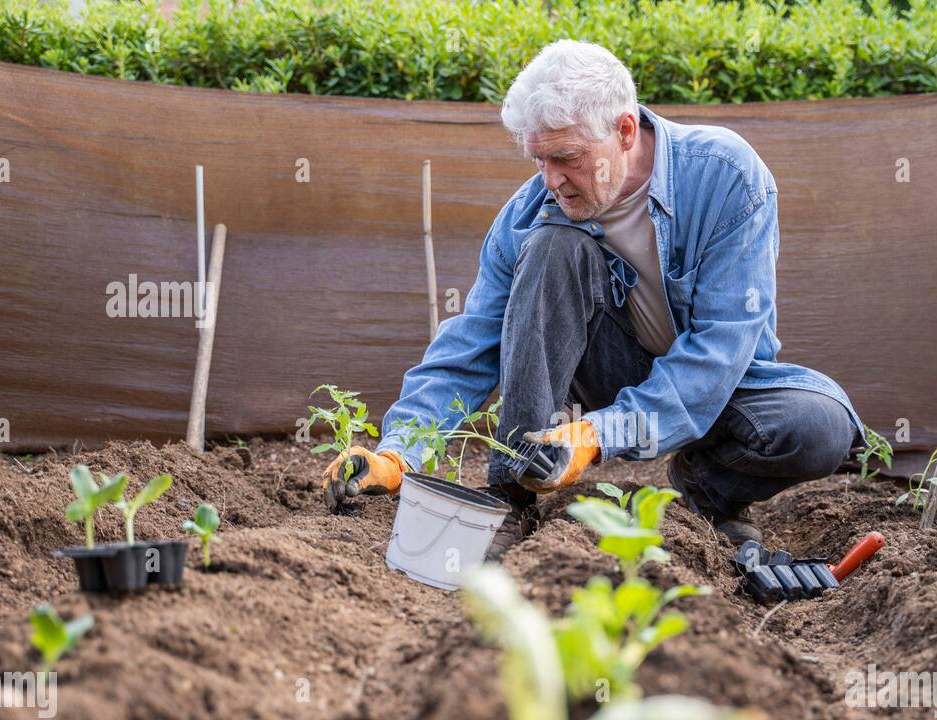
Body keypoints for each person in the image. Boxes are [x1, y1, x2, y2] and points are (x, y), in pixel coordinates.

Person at [322, 40, 864, 557]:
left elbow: (721, 348)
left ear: (625, 131)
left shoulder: (727, 178)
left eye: (567, 157)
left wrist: (599, 434)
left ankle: (703, 494)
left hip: (719, 384)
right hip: (601, 375)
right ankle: (516, 491)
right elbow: (472, 344)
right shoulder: (529, 214)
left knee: (819, 425)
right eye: (539, 160)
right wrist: (399, 452)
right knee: (553, 246)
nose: (551, 179)